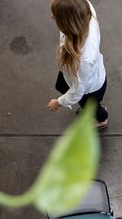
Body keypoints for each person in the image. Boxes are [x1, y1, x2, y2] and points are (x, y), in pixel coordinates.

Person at [47, 0, 108, 130]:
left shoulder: (82, 59)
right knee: (61, 85)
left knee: (90, 106)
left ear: (69, 23)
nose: (51, 17)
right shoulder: (85, 10)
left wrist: (58, 103)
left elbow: (77, 92)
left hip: (90, 89)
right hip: (81, 75)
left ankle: (101, 118)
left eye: (56, 15)